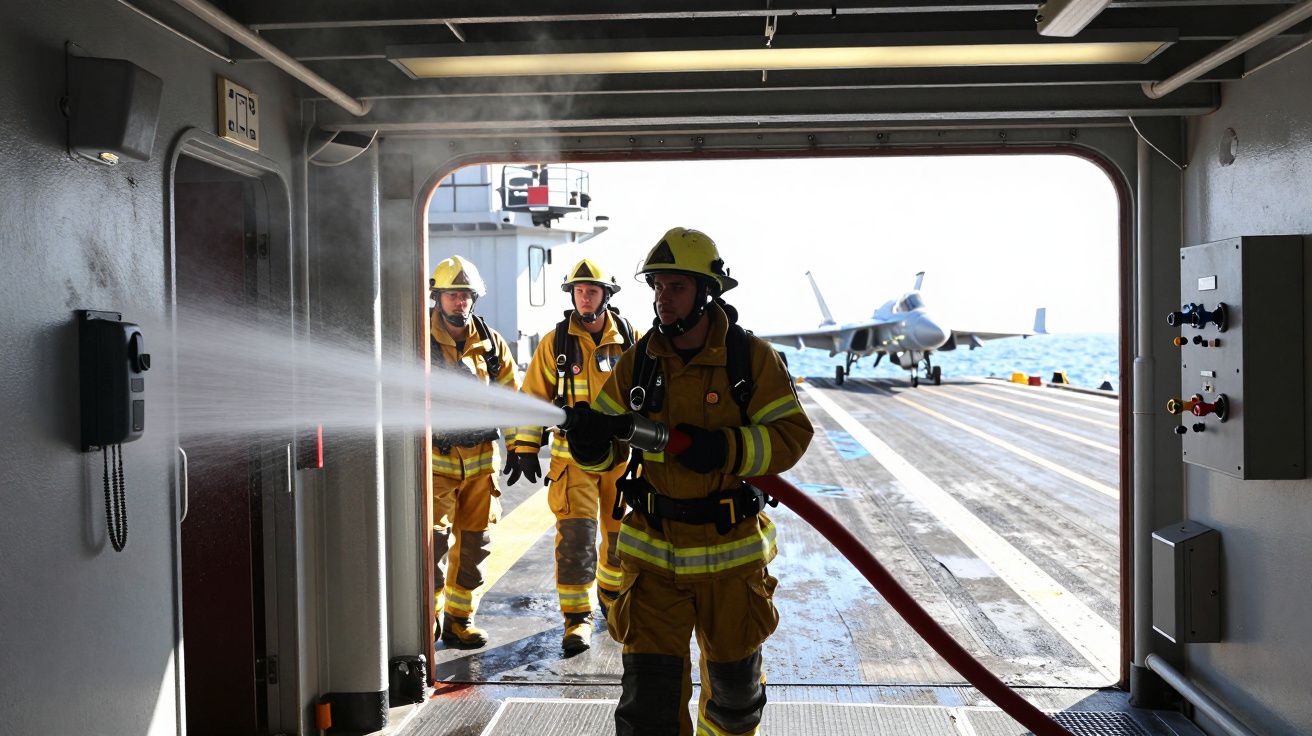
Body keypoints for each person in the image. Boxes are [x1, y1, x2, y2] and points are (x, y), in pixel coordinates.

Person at [566, 228, 814, 736]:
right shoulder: (639, 362)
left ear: (707, 292)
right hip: (653, 561)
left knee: (735, 701)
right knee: (648, 708)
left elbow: (790, 435)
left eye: (676, 287)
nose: (663, 298)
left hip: (733, 563)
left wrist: (723, 449)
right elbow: (608, 448)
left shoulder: (750, 359)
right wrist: (589, 444)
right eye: (658, 286)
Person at [507, 258, 640, 654]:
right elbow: (534, 396)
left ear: (606, 295)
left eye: (591, 291)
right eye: (579, 291)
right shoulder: (556, 344)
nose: (584, 297)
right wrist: (525, 447)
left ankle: (612, 599)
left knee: (621, 538)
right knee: (576, 541)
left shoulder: (631, 339)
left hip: (621, 458)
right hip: (572, 460)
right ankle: (577, 619)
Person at [428, 255, 521, 648]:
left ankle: (459, 620)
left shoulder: (492, 344)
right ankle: (427, 622)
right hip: (435, 467)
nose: (459, 301)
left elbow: (511, 399)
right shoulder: (419, 341)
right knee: (431, 548)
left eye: (466, 295)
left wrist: (520, 447)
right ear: (437, 298)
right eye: (452, 294)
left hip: (481, 468)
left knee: (475, 548)